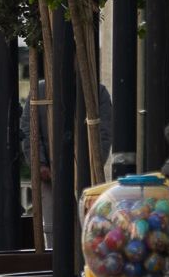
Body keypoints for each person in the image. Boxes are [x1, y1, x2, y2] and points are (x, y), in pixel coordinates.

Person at [19, 81, 112, 245]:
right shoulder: (39, 92)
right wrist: (41, 165)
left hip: (86, 177)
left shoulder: (96, 91)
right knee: (55, 230)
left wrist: (92, 164)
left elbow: (104, 132)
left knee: (90, 231)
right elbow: (29, 130)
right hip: (51, 176)